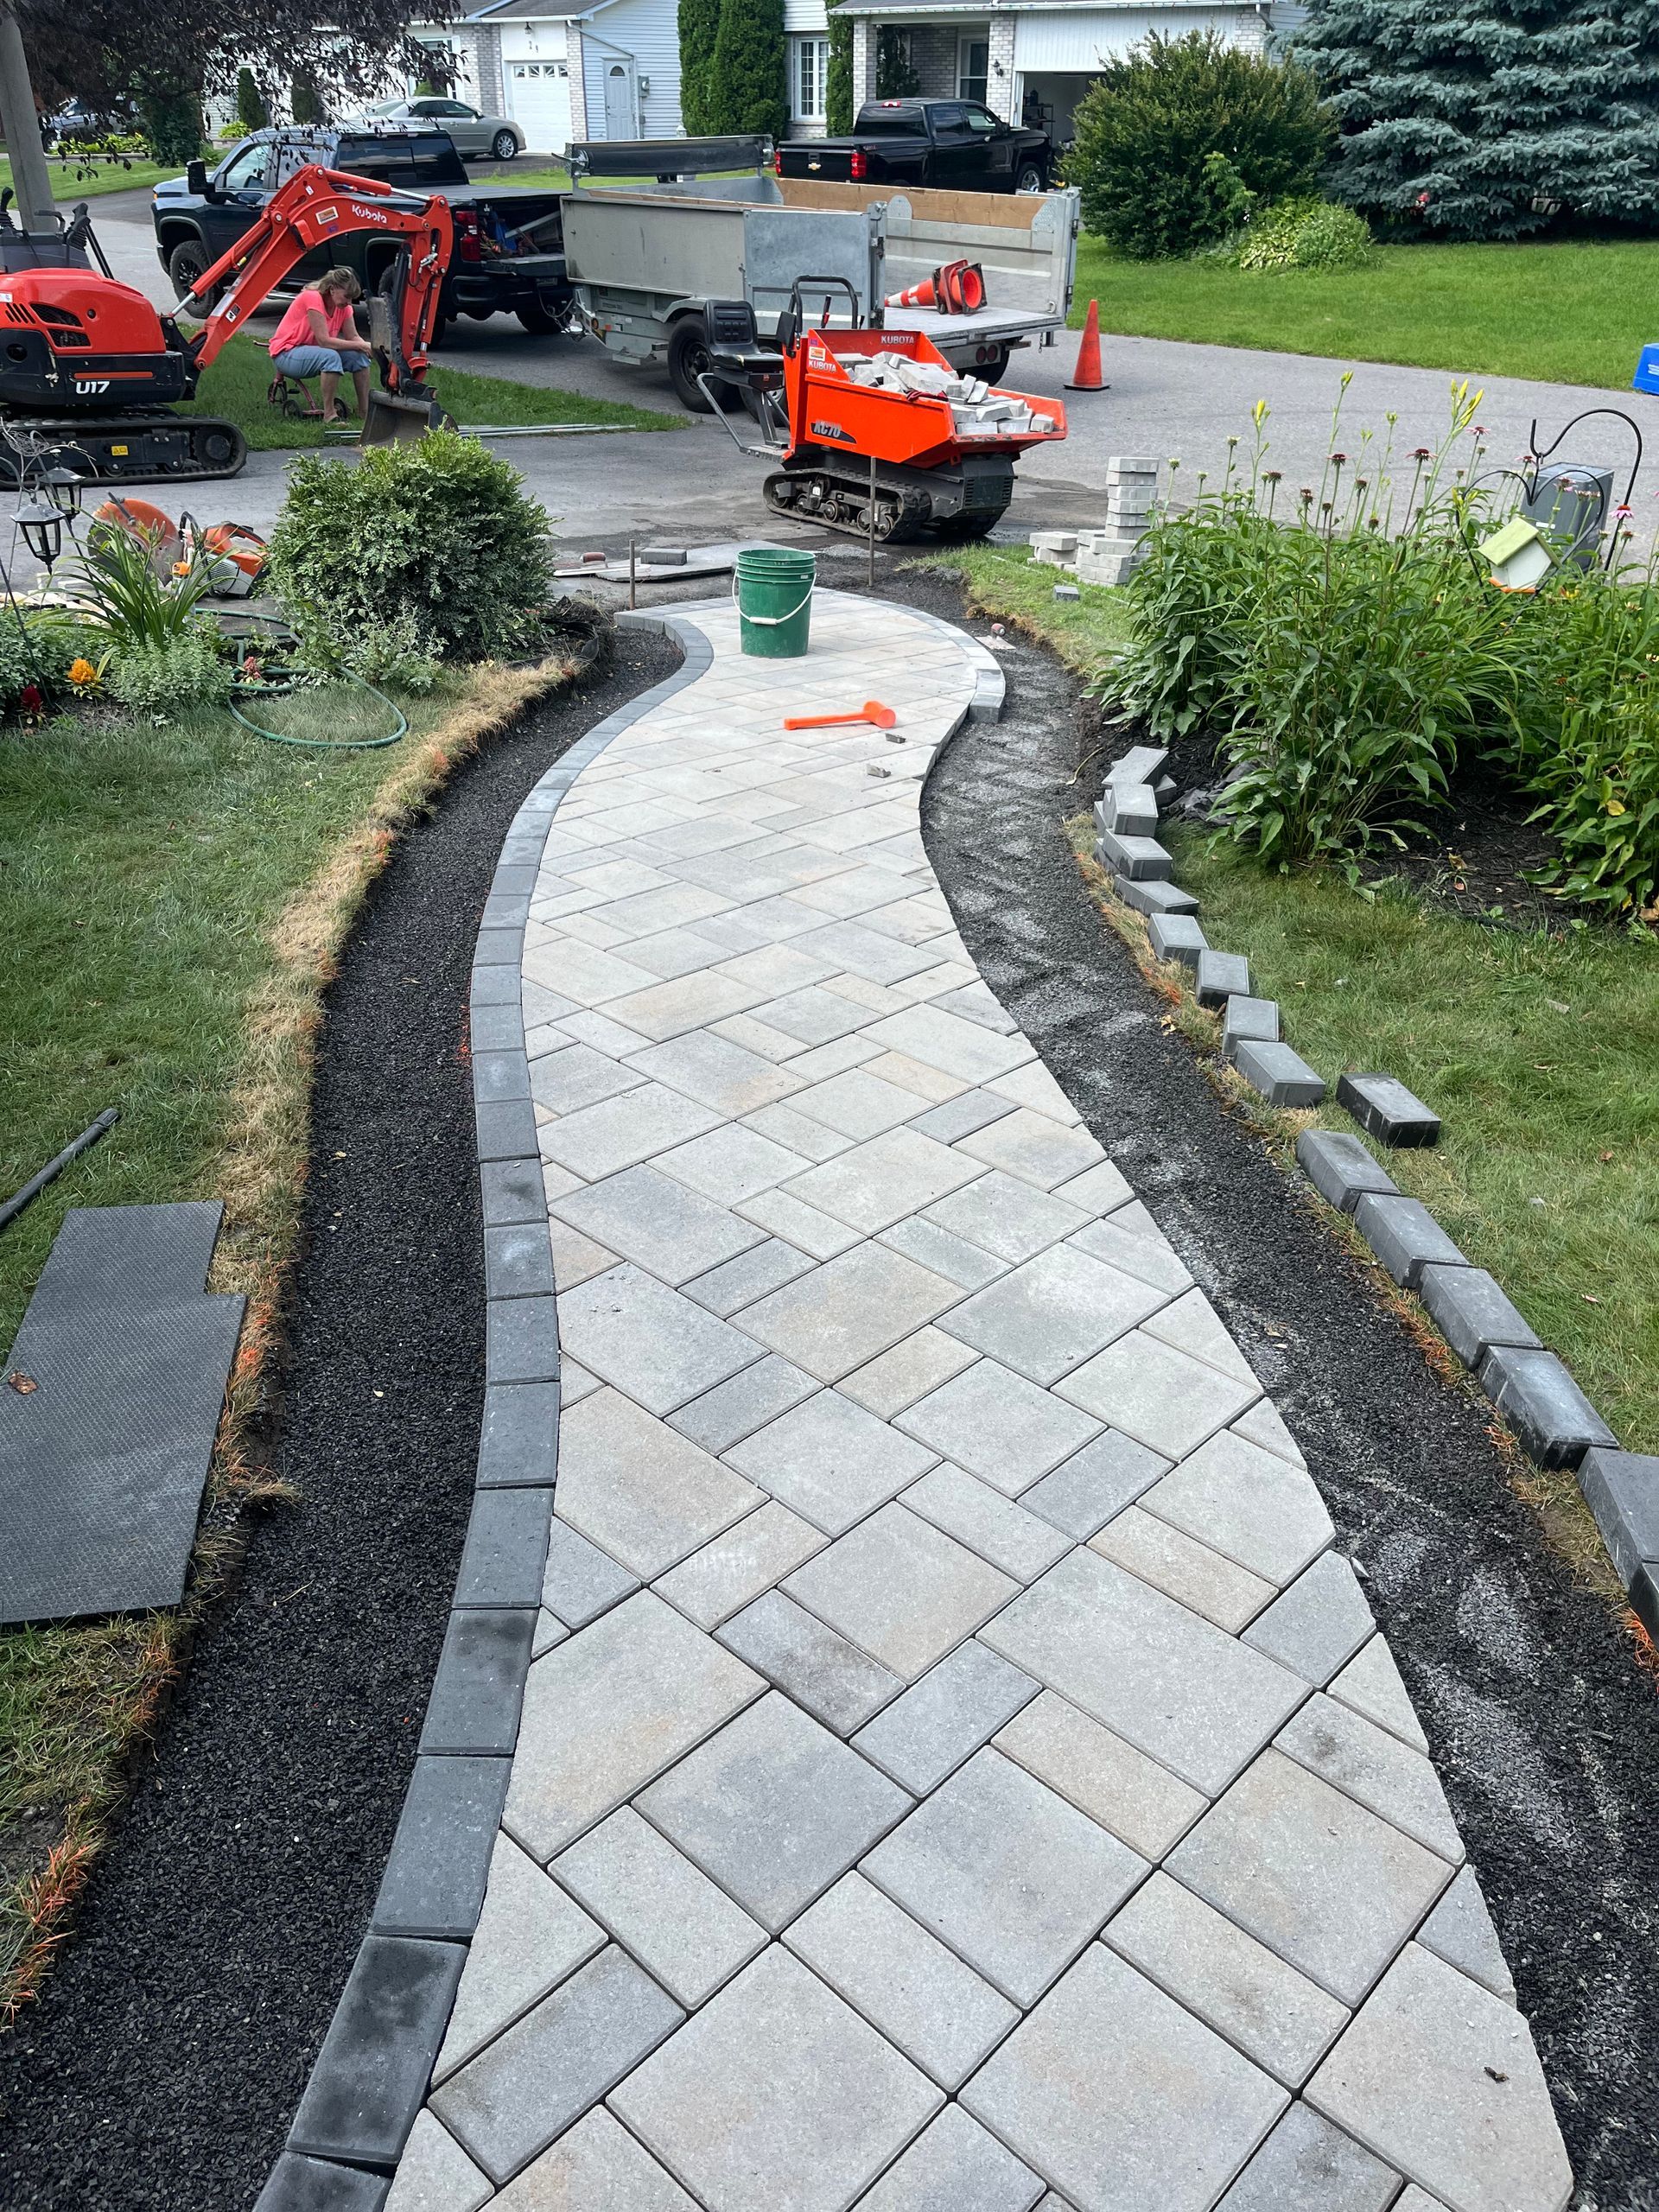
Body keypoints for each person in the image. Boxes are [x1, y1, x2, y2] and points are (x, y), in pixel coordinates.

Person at [268, 268, 372, 426]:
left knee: (360, 357)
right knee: (330, 356)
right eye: (347, 296)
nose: (349, 302)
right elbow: (324, 341)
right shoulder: (312, 298)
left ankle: (364, 412)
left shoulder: (344, 308)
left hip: (312, 353)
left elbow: (353, 337)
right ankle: (329, 415)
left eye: (352, 298)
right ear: (332, 290)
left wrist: (366, 347)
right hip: (286, 353)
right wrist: (360, 345)